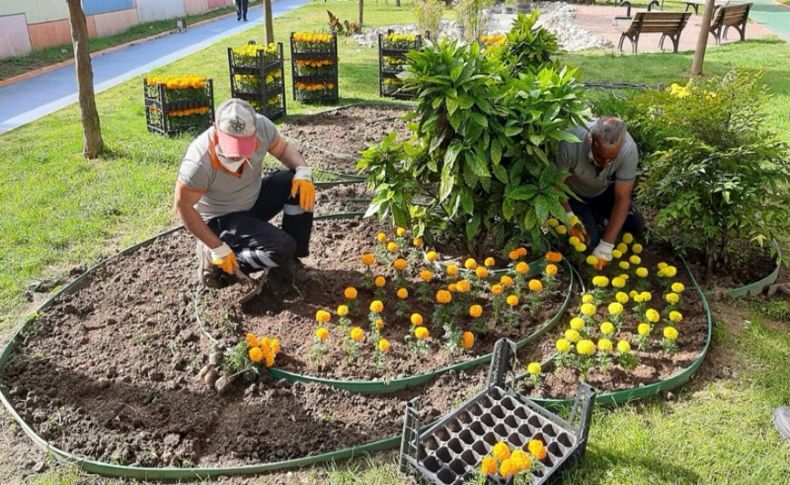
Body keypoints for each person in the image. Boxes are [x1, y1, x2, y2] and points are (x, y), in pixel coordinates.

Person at [174, 98, 314, 289]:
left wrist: (303, 171)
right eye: (232, 148)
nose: (237, 156)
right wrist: (217, 246)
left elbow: (283, 149)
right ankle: (216, 262)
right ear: (216, 132)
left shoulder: (263, 127)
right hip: (222, 218)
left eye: (243, 148)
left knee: (295, 183)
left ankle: (289, 262)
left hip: (251, 200)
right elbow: (183, 206)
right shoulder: (199, 163)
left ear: (254, 132)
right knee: (282, 247)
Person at [556, 116, 645, 267]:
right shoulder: (570, 141)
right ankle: (589, 217)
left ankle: (597, 216)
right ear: (590, 139)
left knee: (636, 225)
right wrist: (569, 217)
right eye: (600, 156)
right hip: (573, 194)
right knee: (587, 242)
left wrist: (607, 246)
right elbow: (557, 188)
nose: (605, 163)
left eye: (612, 159)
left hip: (602, 192)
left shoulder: (629, 149)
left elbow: (622, 198)